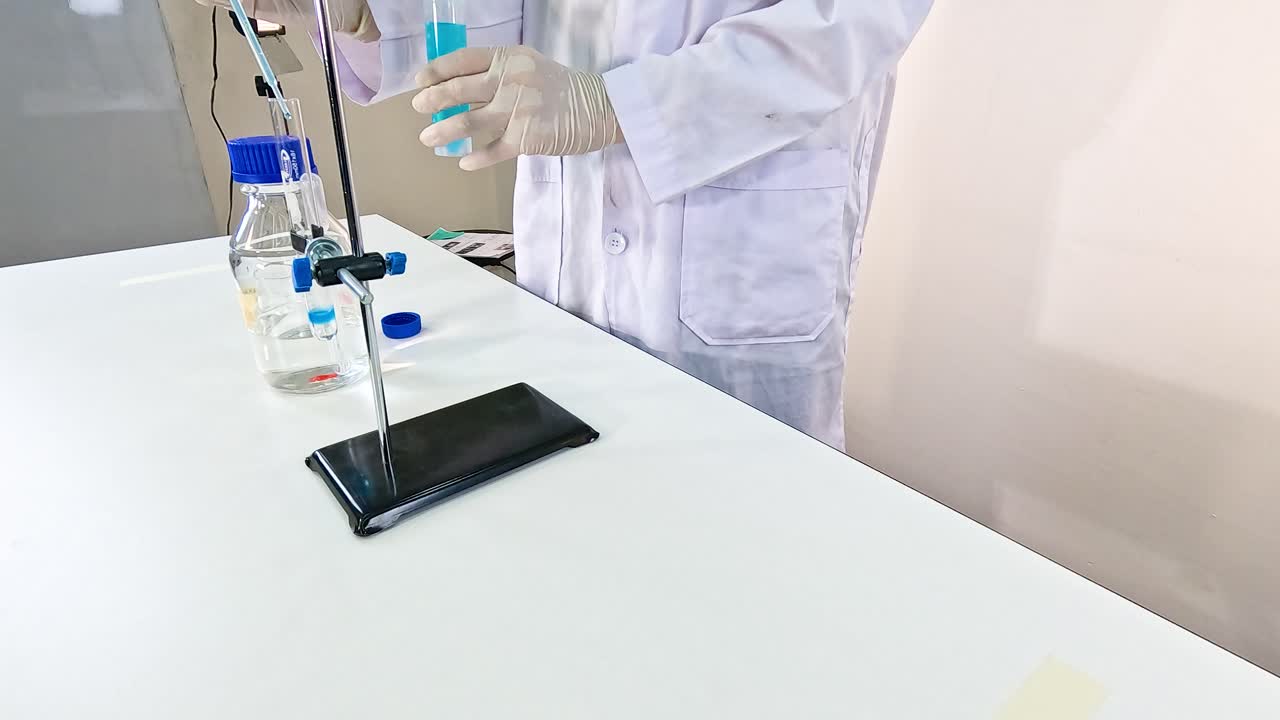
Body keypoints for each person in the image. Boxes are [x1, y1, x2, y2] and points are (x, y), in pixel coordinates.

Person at [199, 0, 933, 450]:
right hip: (569, 244)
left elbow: (851, 23)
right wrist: (360, 11)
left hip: (738, 240)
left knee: (757, 551)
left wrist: (621, 107)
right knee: (583, 531)